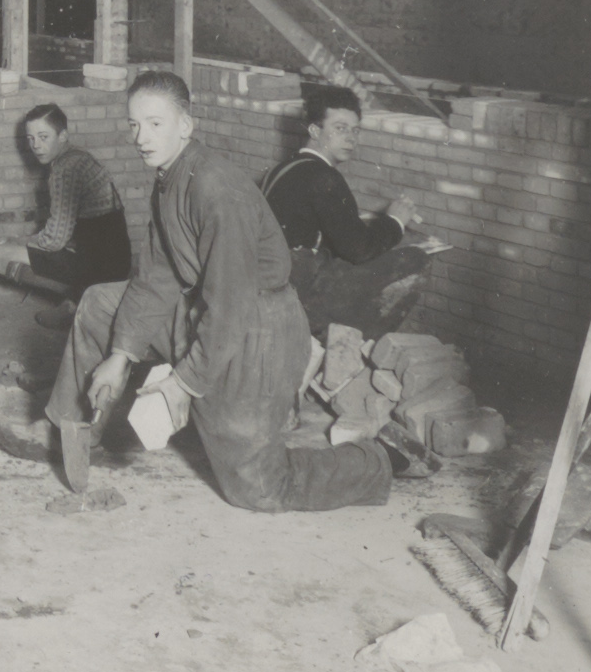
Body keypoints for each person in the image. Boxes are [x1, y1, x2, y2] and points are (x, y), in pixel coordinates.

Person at [39, 70, 437, 510]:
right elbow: (156, 276)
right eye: (134, 124)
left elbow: (230, 307)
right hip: (205, 311)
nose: (141, 137)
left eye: (155, 123)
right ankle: (73, 431)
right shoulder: (169, 177)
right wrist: (120, 355)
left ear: (185, 125)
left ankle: (379, 459)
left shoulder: (215, 188)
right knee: (101, 303)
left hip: (258, 334)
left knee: (259, 489)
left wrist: (182, 384)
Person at [261, 86, 430, 339]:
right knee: (415, 258)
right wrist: (395, 221)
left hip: (270, 286)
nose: (351, 138)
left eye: (355, 130)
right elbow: (358, 250)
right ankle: (358, 343)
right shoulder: (324, 176)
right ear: (315, 131)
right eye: (340, 128)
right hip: (299, 297)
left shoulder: (282, 168)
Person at [0, 103, 134, 332]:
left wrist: (21, 242)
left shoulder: (64, 170)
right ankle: (77, 303)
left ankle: (80, 302)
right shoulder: (80, 157)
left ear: (63, 136)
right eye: (31, 138)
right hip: (117, 264)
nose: (36, 145)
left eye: (44, 137)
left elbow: (55, 240)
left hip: (98, 271)